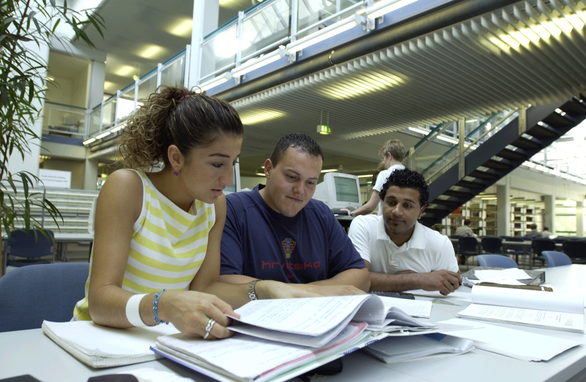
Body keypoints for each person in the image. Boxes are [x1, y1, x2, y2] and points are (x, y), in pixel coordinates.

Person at [73, 87, 321, 340]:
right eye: (216, 163)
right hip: (99, 338)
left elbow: (207, 287)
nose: (226, 179)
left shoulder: (214, 206)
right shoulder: (129, 188)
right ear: (177, 157)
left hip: (163, 340)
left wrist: (265, 289)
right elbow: (100, 302)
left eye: (232, 163)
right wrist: (165, 305)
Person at [220, 133, 370, 293]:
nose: (300, 190)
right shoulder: (233, 210)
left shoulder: (321, 214)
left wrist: (298, 293)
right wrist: (313, 292)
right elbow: (225, 281)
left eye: (310, 183)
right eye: (292, 177)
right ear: (269, 169)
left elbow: (360, 276)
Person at [348, 168, 460, 296]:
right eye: (391, 202)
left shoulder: (440, 243)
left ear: (421, 210)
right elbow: (356, 281)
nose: (396, 211)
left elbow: (452, 284)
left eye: (407, 205)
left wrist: (380, 279)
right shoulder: (363, 226)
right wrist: (419, 279)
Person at [350, 139, 406, 217]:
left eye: (384, 158)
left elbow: (370, 207)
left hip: (387, 225)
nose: (384, 161)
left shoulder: (385, 174)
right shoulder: (409, 175)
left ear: (389, 156)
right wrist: (379, 212)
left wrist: (352, 213)